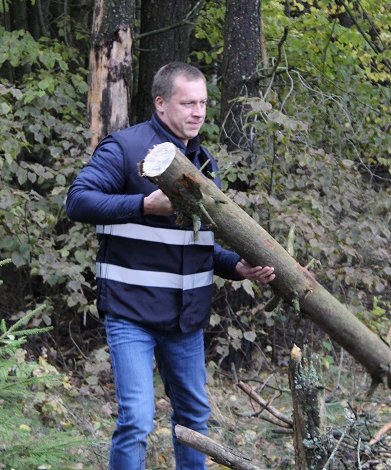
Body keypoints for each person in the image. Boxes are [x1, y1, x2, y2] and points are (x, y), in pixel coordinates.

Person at [65, 62, 275, 470]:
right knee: (137, 420)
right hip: (132, 311)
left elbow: (194, 245)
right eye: (187, 103)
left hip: (185, 319)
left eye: (203, 103)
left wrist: (237, 267)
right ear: (161, 104)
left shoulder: (202, 161)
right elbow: (78, 202)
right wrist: (143, 205)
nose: (198, 112)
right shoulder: (124, 148)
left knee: (194, 417)